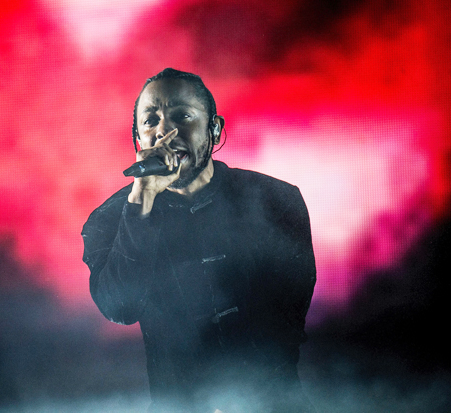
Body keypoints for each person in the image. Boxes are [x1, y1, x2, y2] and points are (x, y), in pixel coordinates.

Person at [82, 68, 316, 412]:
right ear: (138, 140)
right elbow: (119, 308)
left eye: (182, 116)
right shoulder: (110, 218)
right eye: (150, 121)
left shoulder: (276, 200)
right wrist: (142, 202)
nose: (164, 132)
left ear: (215, 128)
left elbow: (290, 315)